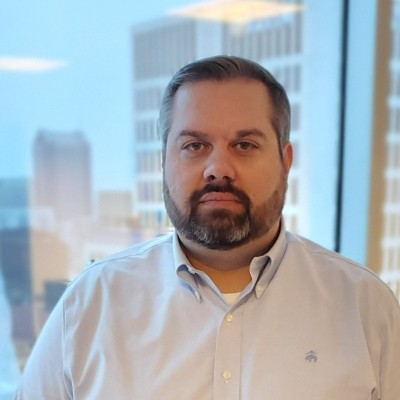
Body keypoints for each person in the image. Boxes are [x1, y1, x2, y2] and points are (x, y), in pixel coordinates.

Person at [15, 55, 400, 399]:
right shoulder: (90, 305)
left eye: (245, 145)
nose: (218, 168)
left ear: (285, 162)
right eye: (194, 146)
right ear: (163, 163)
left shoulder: (364, 307)